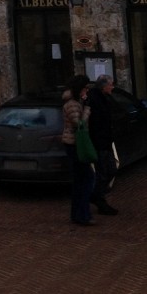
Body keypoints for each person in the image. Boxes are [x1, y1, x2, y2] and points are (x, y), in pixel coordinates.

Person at [61, 74, 96, 227]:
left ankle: (78, 214)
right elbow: (79, 124)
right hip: (74, 145)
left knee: (80, 180)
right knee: (86, 179)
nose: (87, 91)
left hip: (74, 144)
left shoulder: (75, 102)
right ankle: (82, 214)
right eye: (85, 88)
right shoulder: (73, 104)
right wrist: (87, 108)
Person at [87, 73, 119, 215]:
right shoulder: (95, 100)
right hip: (100, 142)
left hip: (105, 141)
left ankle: (97, 196)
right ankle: (98, 198)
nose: (112, 87)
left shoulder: (103, 98)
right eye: (111, 84)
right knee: (104, 171)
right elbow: (96, 123)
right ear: (104, 86)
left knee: (111, 169)